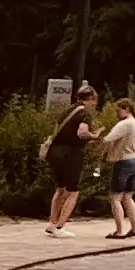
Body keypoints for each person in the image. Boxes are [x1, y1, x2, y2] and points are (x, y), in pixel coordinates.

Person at [40, 89, 97, 235]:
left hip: (55, 152)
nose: (94, 104)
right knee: (73, 190)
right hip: (72, 154)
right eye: (94, 100)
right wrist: (93, 136)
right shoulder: (84, 113)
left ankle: (52, 223)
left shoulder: (66, 111)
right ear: (90, 98)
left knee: (60, 188)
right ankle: (60, 227)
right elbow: (82, 133)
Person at [100, 95, 135, 241]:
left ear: (126, 109)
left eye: (118, 110)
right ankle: (134, 228)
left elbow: (107, 139)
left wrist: (94, 137)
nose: (117, 113)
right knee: (128, 196)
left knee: (115, 198)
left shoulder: (125, 124)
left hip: (125, 162)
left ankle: (119, 231)